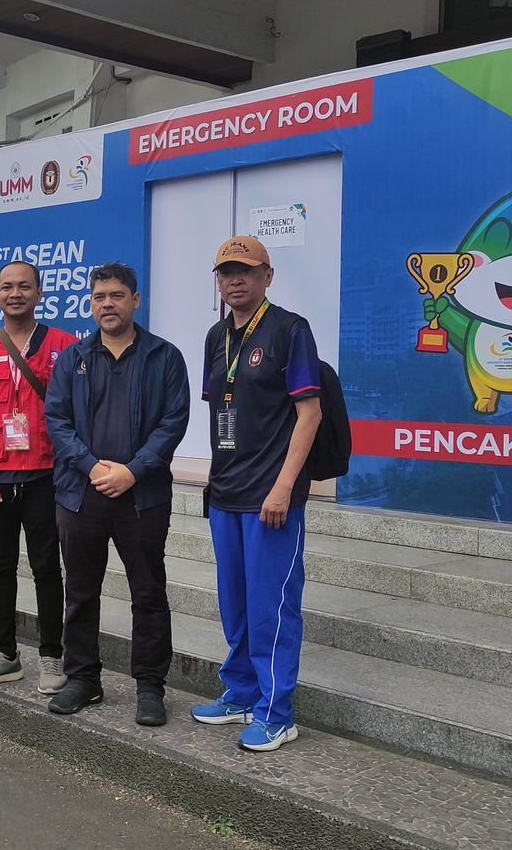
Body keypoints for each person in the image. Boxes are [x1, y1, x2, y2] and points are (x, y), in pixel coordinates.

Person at [190, 236, 323, 753]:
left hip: (272, 498)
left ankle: (277, 712)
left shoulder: (291, 330)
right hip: (226, 493)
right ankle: (242, 691)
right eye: (225, 272)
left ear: (268, 275)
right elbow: (221, 411)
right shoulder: (214, 336)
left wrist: (284, 486)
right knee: (237, 605)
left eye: (244, 270)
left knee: (273, 607)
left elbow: (309, 415)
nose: (234, 280)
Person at [45, 263, 190, 726]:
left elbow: (174, 422)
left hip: (141, 496)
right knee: (81, 591)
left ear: (135, 300)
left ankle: (150, 685)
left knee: (148, 592)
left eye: (116, 295)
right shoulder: (72, 358)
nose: (107, 304)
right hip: (81, 495)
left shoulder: (164, 357)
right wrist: (91, 467)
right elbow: (58, 421)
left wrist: (132, 471)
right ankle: (83, 679)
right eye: (99, 297)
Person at [0, 261, 77, 693]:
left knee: (47, 567)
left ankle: (50, 656)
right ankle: (5, 654)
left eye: (24, 286)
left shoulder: (65, 345)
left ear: (39, 293)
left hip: (47, 475)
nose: (15, 293)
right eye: (6, 286)